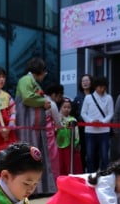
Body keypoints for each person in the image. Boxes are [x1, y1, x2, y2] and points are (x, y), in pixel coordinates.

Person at [15, 57, 56, 195]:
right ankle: (28, 190)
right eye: (44, 71)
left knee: (37, 154)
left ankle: (40, 188)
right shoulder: (25, 80)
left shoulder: (33, 81)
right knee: (29, 155)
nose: (44, 75)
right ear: (39, 71)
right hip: (28, 124)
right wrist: (43, 101)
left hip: (36, 126)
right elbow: (27, 98)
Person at [81, 76, 114, 172]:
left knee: (104, 156)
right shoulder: (88, 98)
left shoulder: (109, 98)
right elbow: (83, 113)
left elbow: (111, 113)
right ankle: (91, 175)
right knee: (90, 155)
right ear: (95, 87)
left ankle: (104, 175)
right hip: (90, 131)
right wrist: (91, 122)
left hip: (104, 130)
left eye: (103, 87)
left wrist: (102, 122)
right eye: (99, 87)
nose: (101, 89)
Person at [57, 97, 83, 175]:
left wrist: (75, 143)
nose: (66, 109)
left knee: (70, 166)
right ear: (60, 108)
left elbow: (76, 134)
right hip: (58, 146)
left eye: (69, 107)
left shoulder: (73, 119)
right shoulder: (57, 119)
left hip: (70, 147)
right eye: (64, 107)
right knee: (60, 166)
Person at [72, 74, 92, 171]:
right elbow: (74, 113)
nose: (85, 83)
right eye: (83, 81)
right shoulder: (77, 98)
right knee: (83, 151)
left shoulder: (95, 96)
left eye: (87, 80)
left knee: (93, 152)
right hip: (81, 128)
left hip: (93, 128)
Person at [45, 83, 64, 180]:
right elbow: (58, 123)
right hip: (50, 135)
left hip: (40, 135)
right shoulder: (51, 104)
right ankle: (52, 183)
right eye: (59, 95)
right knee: (53, 160)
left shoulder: (40, 101)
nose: (60, 98)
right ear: (53, 94)